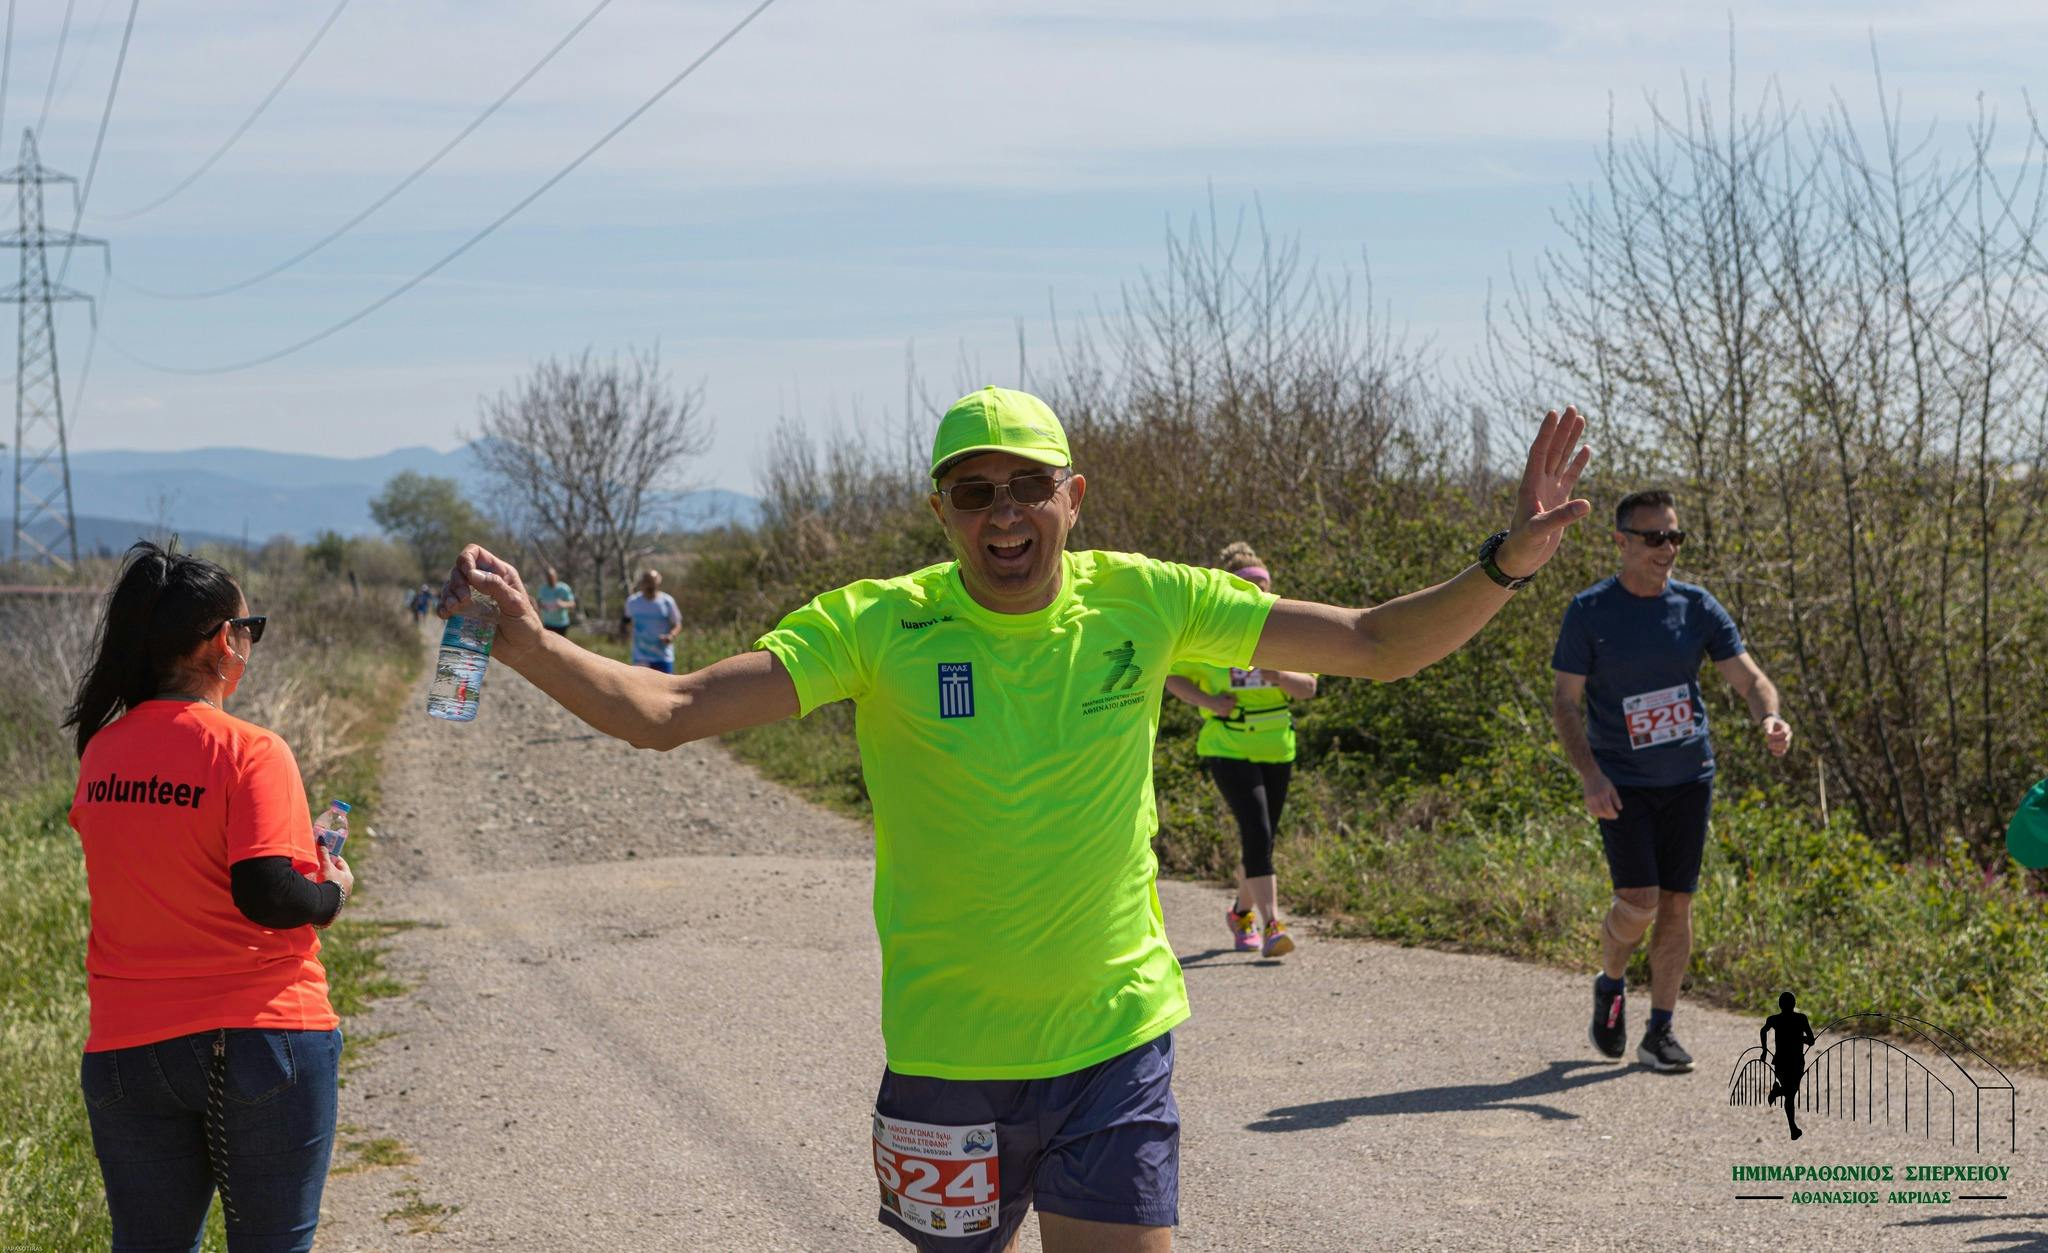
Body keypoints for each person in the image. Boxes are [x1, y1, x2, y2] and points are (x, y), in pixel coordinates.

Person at [438, 386, 1590, 1253]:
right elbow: (670, 710)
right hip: (947, 1065)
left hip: (1113, 1043)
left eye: (1025, 486)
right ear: (940, 508)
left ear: (1069, 498)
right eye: (973, 492)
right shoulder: (879, 624)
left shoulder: (1146, 599)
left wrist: (1506, 564)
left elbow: (1373, 644)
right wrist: (529, 643)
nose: (1002, 515)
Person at [63, 542, 354, 1252]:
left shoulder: (101, 751)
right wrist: (331, 890)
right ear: (225, 641)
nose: (248, 642)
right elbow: (267, 893)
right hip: (261, 1035)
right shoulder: (252, 750)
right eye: (249, 627)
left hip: (127, 1047)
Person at [1551, 489, 1793, 1074]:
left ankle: (1660, 1030)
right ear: (1622, 541)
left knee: (1676, 904)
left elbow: (1749, 676)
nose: (1668, 549)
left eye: (1675, 537)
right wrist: (1590, 775)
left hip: (1689, 776)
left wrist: (1770, 716)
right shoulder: (1590, 612)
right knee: (1637, 903)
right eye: (1655, 537)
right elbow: (1564, 702)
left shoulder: (1696, 607)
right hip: (1623, 782)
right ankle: (1611, 982)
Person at [1164, 543, 1316, 958]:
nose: (1258, 594)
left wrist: (1279, 673)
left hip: (1277, 746)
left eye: (1264, 586)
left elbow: (1310, 687)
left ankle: (1240, 913)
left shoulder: (1286, 634)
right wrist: (1211, 702)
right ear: (1230, 589)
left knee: (1262, 841)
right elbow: (1171, 676)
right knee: (1257, 831)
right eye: (1249, 586)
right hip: (1227, 745)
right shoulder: (1209, 635)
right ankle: (1272, 925)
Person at [1761, 991, 1816, 1141]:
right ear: (1794, 1004)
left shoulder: (1774, 1019)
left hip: (1781, 1061)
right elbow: (1811, 1041)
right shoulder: (1801, 1019)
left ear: (1780, 1005)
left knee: (1790, 1093)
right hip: (1796, 1061)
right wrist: (1799, 1038)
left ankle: (1779, 1093)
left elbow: (1763, 1031)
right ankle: (1792, 1127)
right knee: (1791, 1093)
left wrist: (1765, 1050)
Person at [622, 568, 682, 671]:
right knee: (640, 686)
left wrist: (671, 636)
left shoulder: (667, 601)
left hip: (663, 656)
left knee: (665, 686)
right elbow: (625, 621)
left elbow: (677, 623)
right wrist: (625, 634)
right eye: (647, 582)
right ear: (642, 583)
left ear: (658, 582)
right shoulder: (632, 602)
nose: (650, 586)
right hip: (641, 657)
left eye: (653, 583)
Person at [534, 566, 577, 637]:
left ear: (556, 576)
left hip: (561, 623)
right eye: (548, 577)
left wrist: (563, 604)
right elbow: (538, 603)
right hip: (548, 622)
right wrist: (542, 606)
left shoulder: (564, 588)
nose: (550, 579)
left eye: (551, 577)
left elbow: (572, 604)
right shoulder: (542, 589)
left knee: (561, 645)